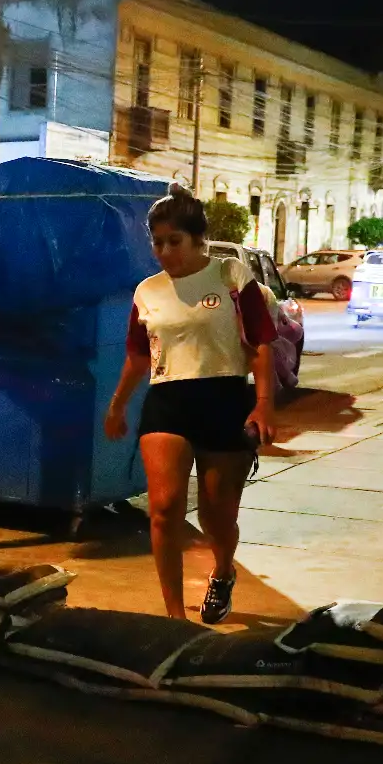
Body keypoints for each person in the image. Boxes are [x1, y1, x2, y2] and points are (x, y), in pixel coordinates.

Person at [104, 185, 278, 623]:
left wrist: (263, 405)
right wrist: (118, 405)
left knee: (219, 517)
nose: (164, 251)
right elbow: (139, 355)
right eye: (157, 242)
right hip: (168, 401)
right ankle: (174, 617)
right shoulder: (146, 291)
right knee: (163, 510)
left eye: (173, 241)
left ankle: (222, 571)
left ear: (198, 238)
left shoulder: (231, 275)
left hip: (225, 399)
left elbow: (260, 344)